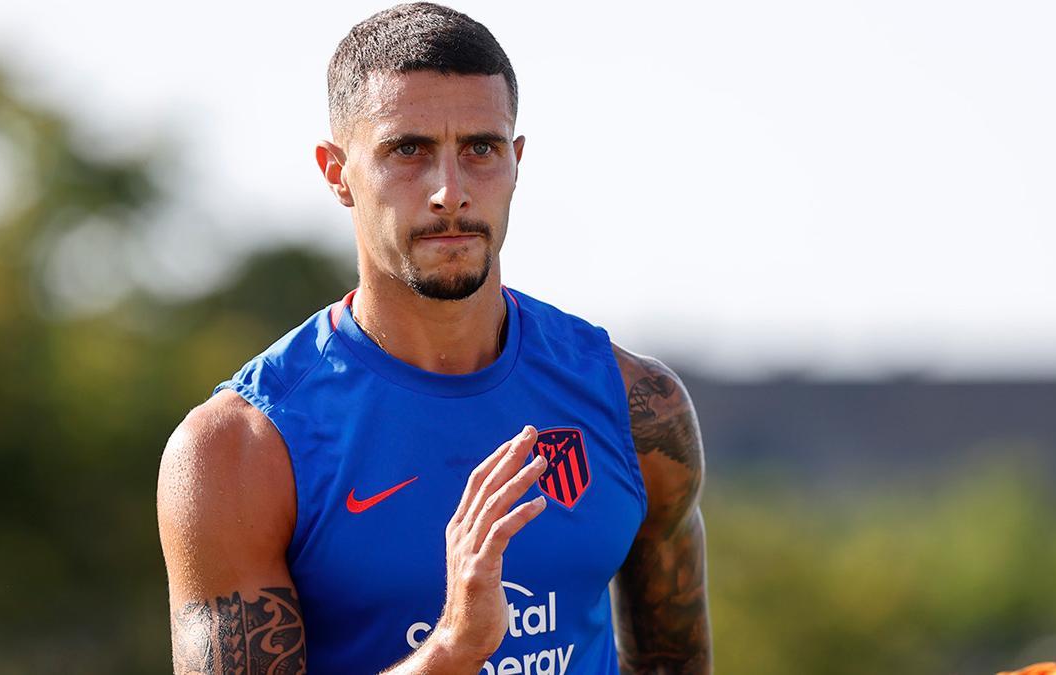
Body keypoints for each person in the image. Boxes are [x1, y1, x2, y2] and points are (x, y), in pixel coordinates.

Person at [156, 3, 712, 673]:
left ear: (516, 161)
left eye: (481, 147)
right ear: (337, 173)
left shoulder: (635, 405)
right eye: (408, 149)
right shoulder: (241, 451)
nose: (450, 190)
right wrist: (451, 649)